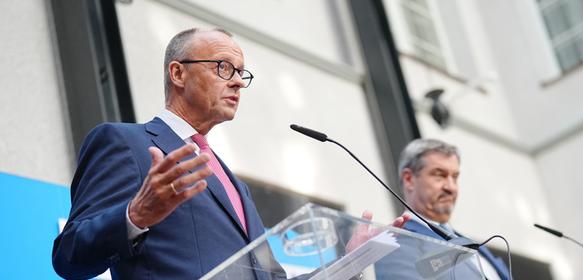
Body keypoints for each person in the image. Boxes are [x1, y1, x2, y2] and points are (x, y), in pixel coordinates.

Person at [52, 28, 406, 279]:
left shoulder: (236, 186)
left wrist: (350, 261)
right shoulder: (124, 142)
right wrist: (136, 214)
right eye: (223, 67)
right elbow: (70, 257)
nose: (237, 81)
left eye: (241, 73)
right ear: (178, 73)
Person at [375, 139, 511, 280]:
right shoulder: (394, 245)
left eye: (455, 177)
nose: (451, 187)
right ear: (409, 179)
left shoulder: (473, 244)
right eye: (439, 175)